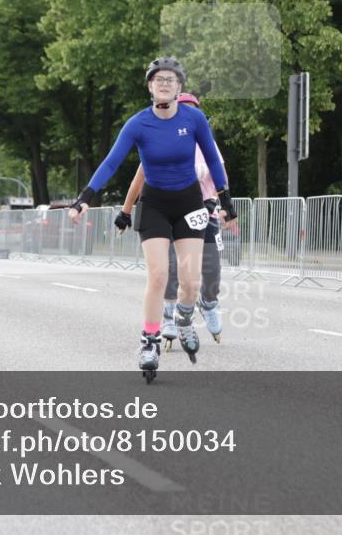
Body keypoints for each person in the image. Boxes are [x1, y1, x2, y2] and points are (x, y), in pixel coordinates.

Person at [68, 57, 238, 383]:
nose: (164, 83)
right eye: (158, 79)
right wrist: (85, 198)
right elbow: (111, 163)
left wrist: (226, 200)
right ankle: (149, 340)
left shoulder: (194, 118)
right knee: (159, 276)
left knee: (191, 283)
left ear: (179, 87)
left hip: (190, 204)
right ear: (149, 86)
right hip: (156, 206)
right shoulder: (138, 124)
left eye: (171, 79)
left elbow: (214, 161)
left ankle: (186, 319)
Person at [119, 92, 227, 346]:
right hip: (169, 212)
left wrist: (223, 206)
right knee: (167, 268)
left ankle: (208, 302)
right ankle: (169, 315)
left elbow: (221, 177)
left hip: (204, 213)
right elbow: (139, 180)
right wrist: (125, 211)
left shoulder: (207, 144)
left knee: (209, 268)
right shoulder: (162, 144)